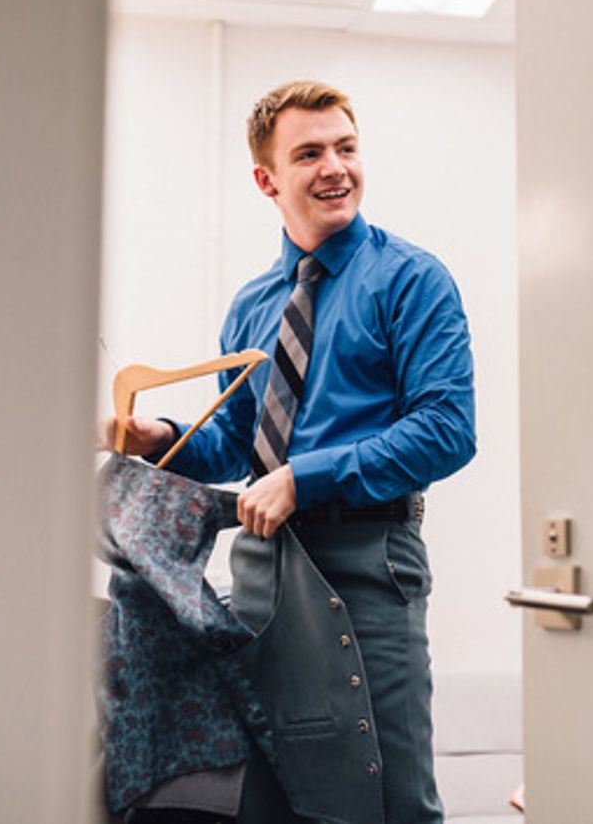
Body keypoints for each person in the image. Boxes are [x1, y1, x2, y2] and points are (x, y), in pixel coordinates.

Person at [106, 79, 477, 824]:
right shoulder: (253, 304)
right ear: (267, 179)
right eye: (309, 154)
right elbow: (240, 444)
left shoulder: (411, 280)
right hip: (263, 571)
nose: (335, 168)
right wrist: (164, 439)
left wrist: (304, 479)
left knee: (388, 796)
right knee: (277, 793)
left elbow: (447, 428)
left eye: (346, 147)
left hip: (368, 564)